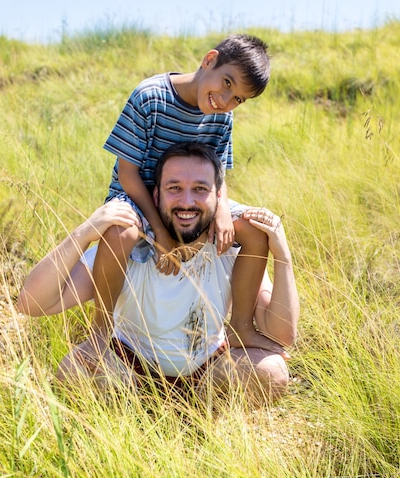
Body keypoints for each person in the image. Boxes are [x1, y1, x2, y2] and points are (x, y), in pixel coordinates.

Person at [18, 142, 299, 403]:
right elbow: (30, 303)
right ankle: (134, 421)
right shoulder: (129, 247)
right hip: (128, 368)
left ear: (218, 198)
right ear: (156, 194)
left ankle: (200, 425)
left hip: (208, 374)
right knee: (73, 372)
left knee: (272, 371)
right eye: (174, 188)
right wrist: (83, 233)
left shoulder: (230, 249)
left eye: (200, 189)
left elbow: (282, 334)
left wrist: (282, 253)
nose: (186, 201)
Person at [92, 33, 279, 357]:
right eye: (226, 83)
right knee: (120, 232)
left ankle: (241, 327)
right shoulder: (150, 97)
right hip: (139, 198)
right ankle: (99, 329)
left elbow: (218, 172)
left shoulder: (222, 116)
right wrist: (160, 231)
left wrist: (221, 211)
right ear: (209, 60)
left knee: (254, 229)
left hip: (192, 199)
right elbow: (128, 174)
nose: (225, 100)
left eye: (238, 99)